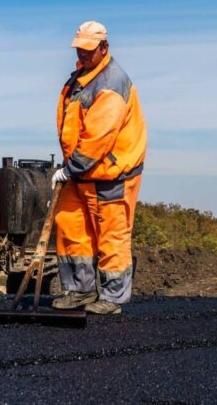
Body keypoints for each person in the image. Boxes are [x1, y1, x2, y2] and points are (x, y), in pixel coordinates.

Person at [50, 21, 147, 315]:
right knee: (70, 226)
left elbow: (98, 138)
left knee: (111, 235)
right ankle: (79, 290)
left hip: (110, 174)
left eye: (89, 49)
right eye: (79, 48)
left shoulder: (111, 83)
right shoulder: (80, 77)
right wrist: (72, 168)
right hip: (81, 171)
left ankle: (113, 298)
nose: (83, 53)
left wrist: (70, 168)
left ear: (104, 47)